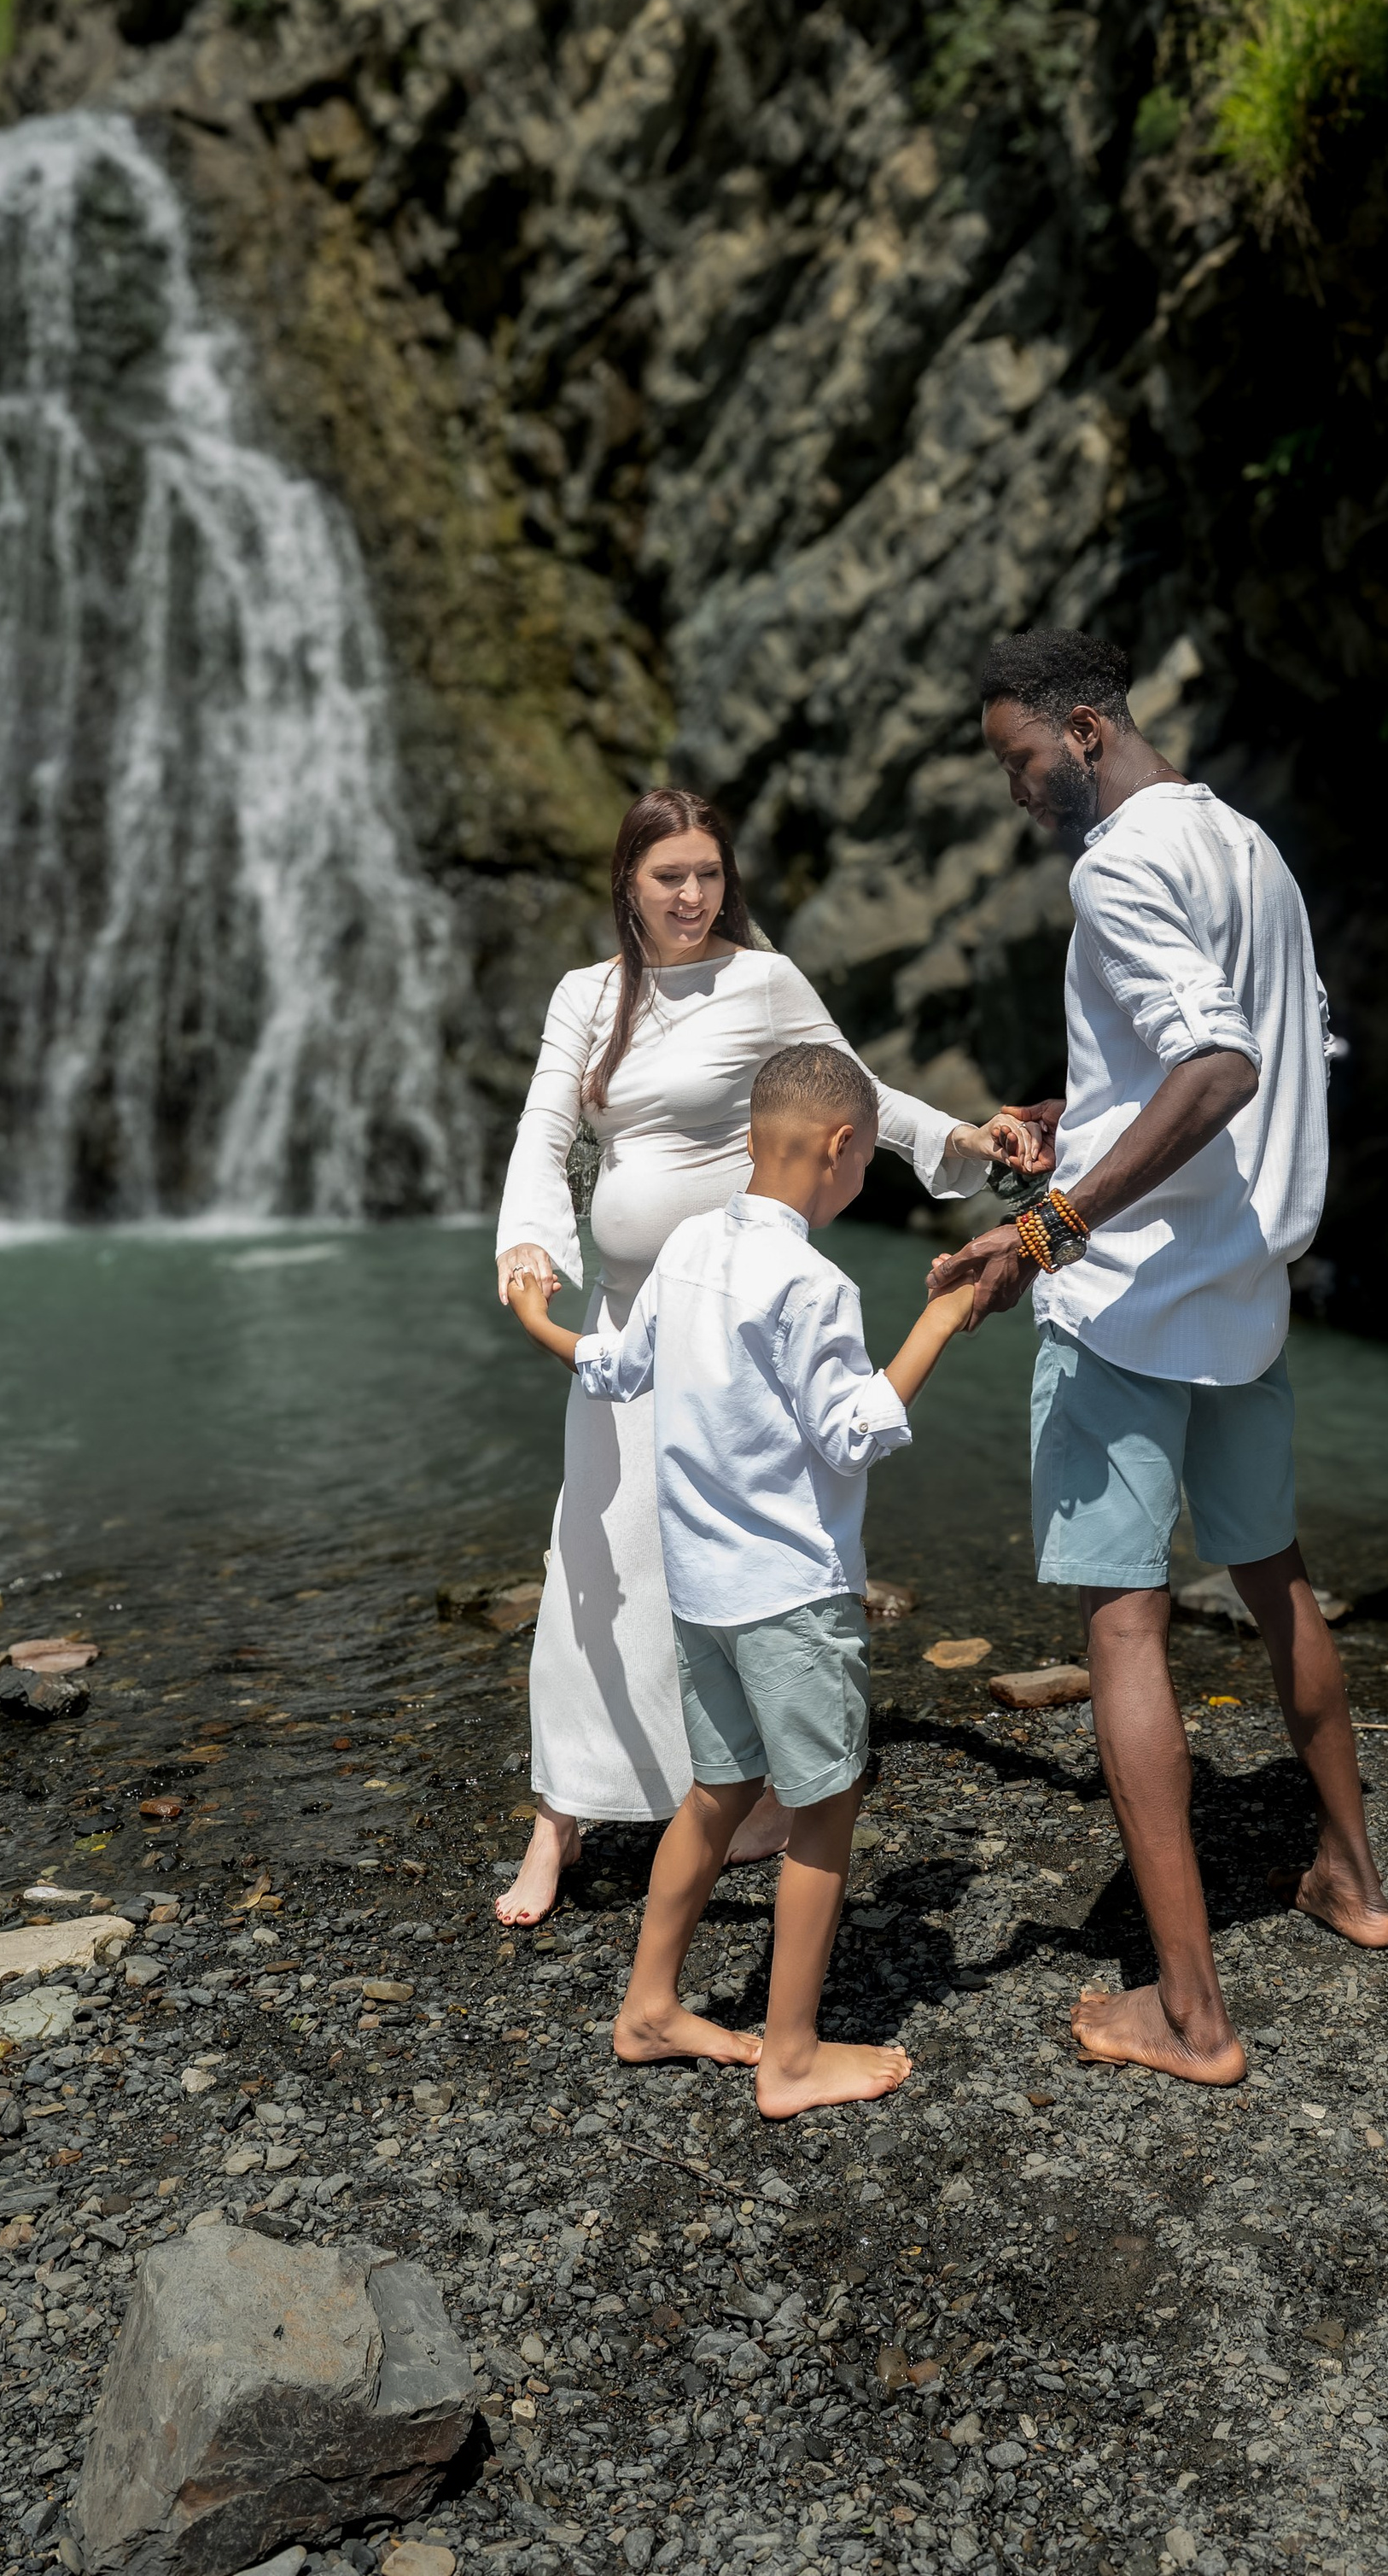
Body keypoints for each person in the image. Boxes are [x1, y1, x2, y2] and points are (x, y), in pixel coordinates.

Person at [928, 628, 1388, 2088]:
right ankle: (1351, 1879)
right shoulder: (1245, 847)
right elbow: (1268, 1043)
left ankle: (1188, 2012)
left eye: (1019, 758)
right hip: (1241, 1287)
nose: (1017, 788)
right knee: (1278, 1575)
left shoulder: (1119, 864)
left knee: (1124, 1629)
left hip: (1126, 1303)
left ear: (1082, 730)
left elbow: (1219, 1064)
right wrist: (1100, 1100)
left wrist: (1046, 1230)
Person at [491, 787, 1036, 1924]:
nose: (692, 898)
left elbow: (857, 1094)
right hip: (629, 1310)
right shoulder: (586, 998)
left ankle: (744, 1796)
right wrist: (532, 1244)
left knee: (728, 1562)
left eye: (707, 874)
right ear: (627, 884)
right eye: (667, 878)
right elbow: (547, 1135)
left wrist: (965, 1146)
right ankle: (562, 1818)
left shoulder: (765, 980)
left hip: (733, 1318)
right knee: (594, 1558)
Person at [509, 1043, 978, 2113]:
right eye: (864, 1166)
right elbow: (853, 1433)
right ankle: (794, 2053)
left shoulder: (681, 1248)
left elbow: (617, 1369)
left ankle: (651, 2006)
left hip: (699, 1590)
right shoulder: (816, 1282)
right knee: (823, 1805)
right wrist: (942, 1320)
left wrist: (539, 1315)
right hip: (791, 1593)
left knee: (717, 1792)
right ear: (843, 1146)